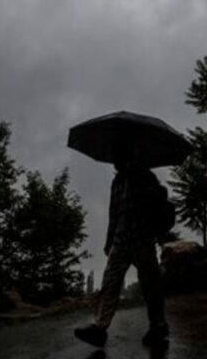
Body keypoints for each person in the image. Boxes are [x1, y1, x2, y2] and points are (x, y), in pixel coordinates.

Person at [74, 146, 169, 348]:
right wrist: (109, 240)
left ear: (128, 156)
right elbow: (113, 213)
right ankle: (100, 327)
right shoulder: (116, 182)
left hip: (142, 238)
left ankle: (158, 325)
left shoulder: (145, 176)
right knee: (110, 282)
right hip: (121, 240)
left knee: (150, 284)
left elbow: (158, 201)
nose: (115, 163)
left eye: (118, 158)